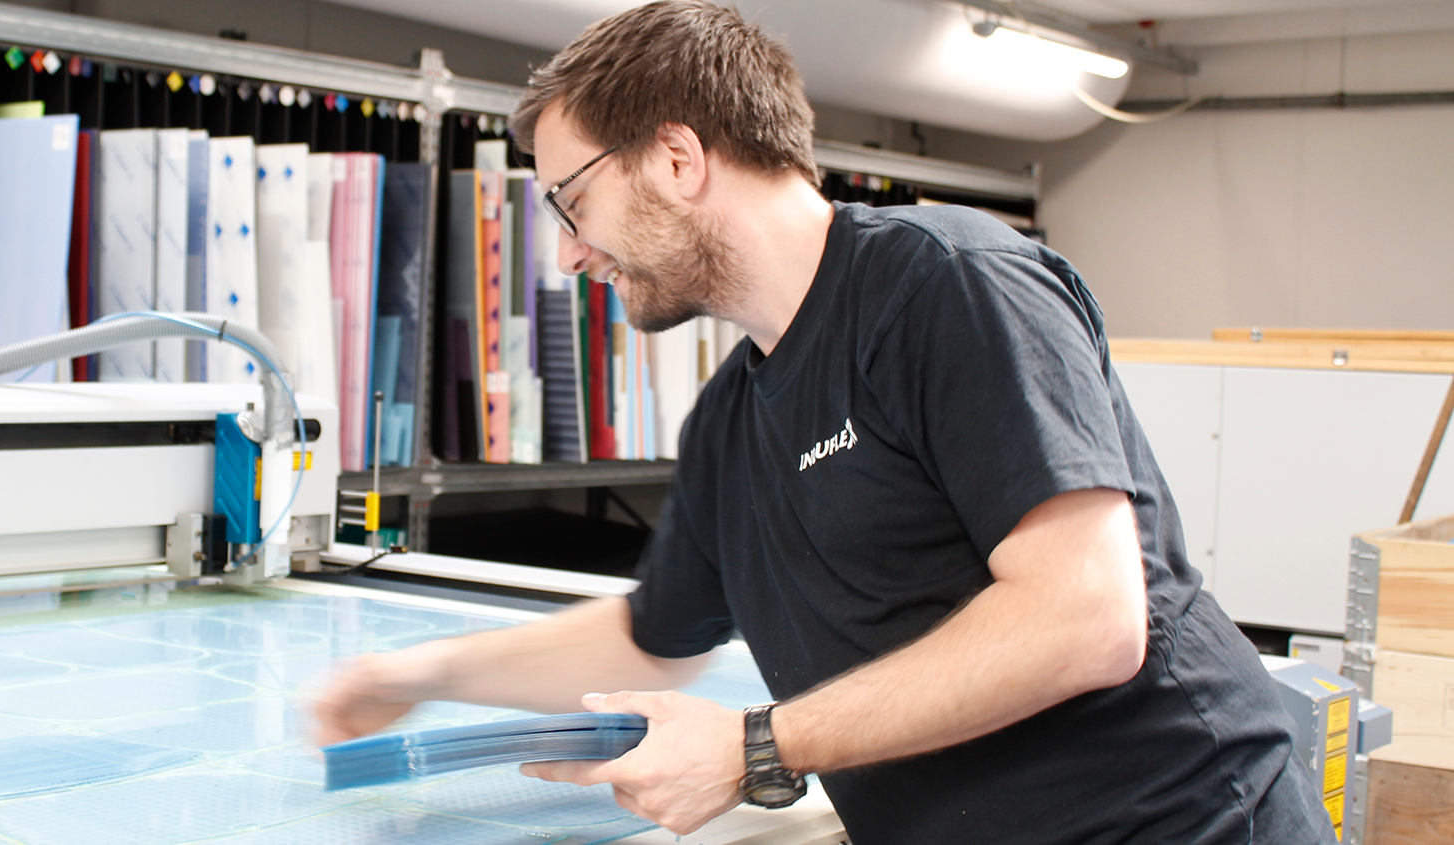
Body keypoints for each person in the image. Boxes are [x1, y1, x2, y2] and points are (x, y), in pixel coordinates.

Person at [311, 2, 1336, 842]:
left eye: (571, 200)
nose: (570, 252)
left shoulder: (948, 283)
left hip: (1178, 823)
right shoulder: (730, 419)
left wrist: (754, 744)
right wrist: (416, 674)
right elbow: (649, 635)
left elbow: (1085, 618)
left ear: (676, 156)